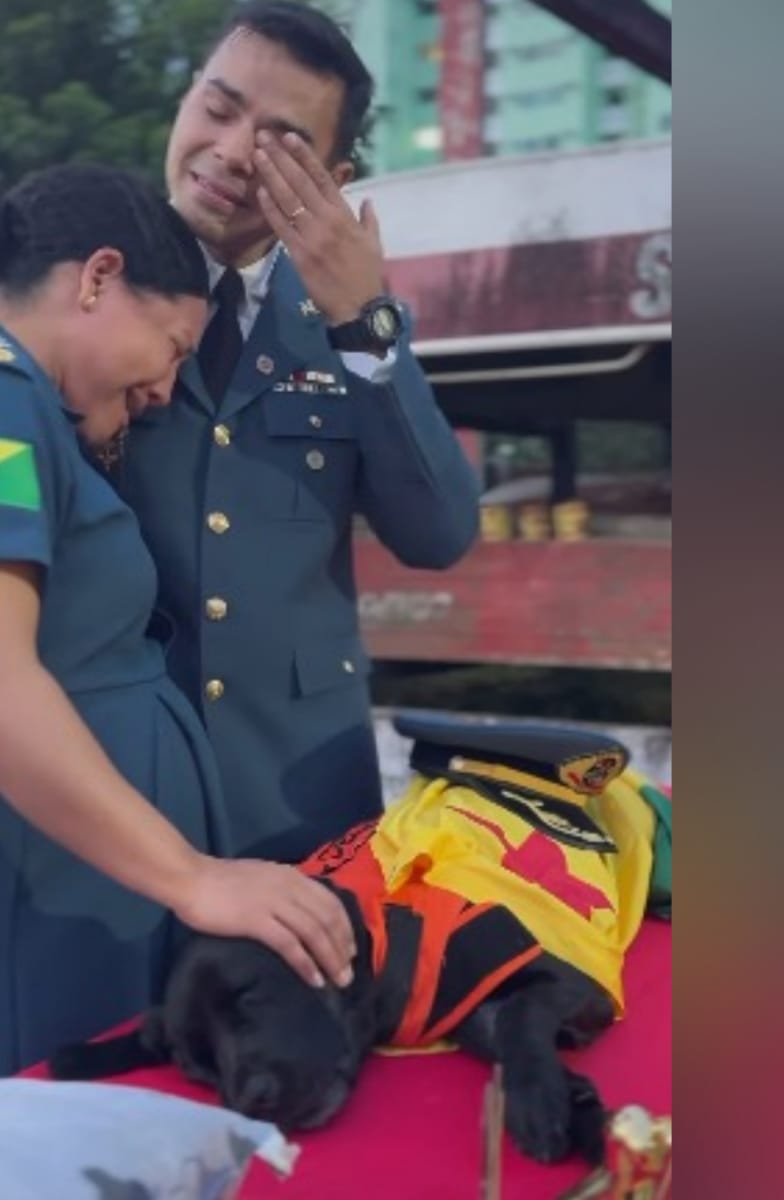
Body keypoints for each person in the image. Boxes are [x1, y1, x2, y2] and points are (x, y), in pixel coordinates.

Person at [0, 163, 355, 1078]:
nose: (165, 389)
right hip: (71, 888)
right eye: (175, 346)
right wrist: (192, 877)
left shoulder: (32, 409)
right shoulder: (4, 406)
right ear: (98, 279)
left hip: (104, 873)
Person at [114, 0, 482, 864]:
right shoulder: (92, 281)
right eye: (219, 107)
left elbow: (440, 535)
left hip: (303, 796)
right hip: (127, 783)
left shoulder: (353, 329)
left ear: (335, 176)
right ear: (184, 103)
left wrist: (364, 322)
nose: (234, 152)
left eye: (283, 143)